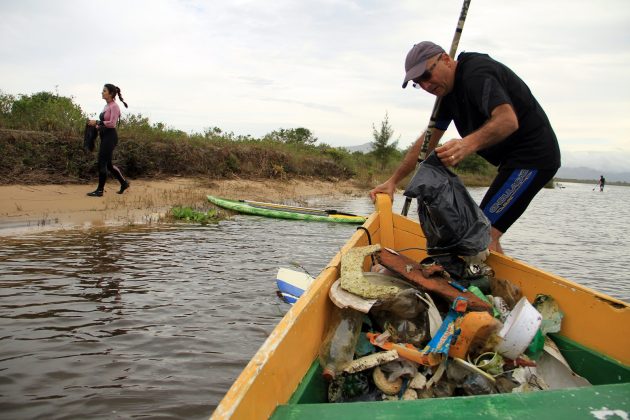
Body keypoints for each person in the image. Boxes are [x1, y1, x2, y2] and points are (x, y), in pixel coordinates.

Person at [370, 41, 561, 254]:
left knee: (482, 236)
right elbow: (427, 141)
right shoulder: (446, 94)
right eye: (418, 83)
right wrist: (393, 181)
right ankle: (496, 284)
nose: (426, 86)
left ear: (446, 60)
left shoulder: (476, 74)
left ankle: (486, 284)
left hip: (533, 158)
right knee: (483, 233)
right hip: (512, 163)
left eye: (426, 76)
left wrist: (466, 144)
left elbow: (507, 120)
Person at [86, 84, 130, 197]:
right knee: (109, 165)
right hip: (105, 136)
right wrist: (94, 126)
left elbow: (112, 123)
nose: (102, 92)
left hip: (111, 137)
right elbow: (103, 123)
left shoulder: (114, 106)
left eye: (104, 91)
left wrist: (97, 122)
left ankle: (100, 191)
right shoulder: (106, 106)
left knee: (102, 162)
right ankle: (124, 183)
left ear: (110, 94)